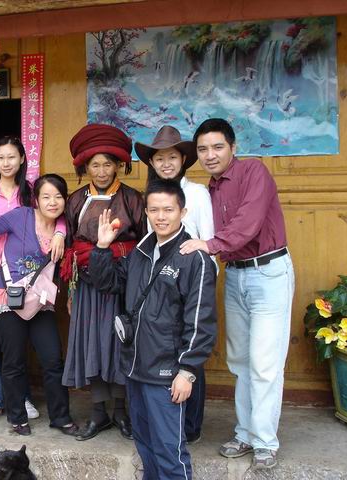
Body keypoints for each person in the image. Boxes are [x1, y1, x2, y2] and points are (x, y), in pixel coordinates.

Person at [180, 118, 295, 470]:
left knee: (264, 362)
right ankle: (245, 433)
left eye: (217, 147)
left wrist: (209, 244)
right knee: (240, 361)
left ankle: (264, 442)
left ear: (233, 147)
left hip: (269, 273)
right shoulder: (210, 189)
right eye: (202, 149)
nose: (210, 155)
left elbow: (248, 222)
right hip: (236, 274)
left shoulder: (253, 172)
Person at [89, 179, 217, 480]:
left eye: (168, 210)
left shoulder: (194, 259)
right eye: (154, 210)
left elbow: (201, 320)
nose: (161, 216)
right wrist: (102, 248)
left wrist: (187, 371)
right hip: (136, 367)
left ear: (182, 212)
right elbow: (108, 283)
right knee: (145, 445)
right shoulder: (141, 252)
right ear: (146, 212)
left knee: (170, 453)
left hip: (167, 373)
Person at [0, 136, 66, 426]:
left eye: (12, 157)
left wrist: (60, 233)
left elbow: (53, 211)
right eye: (0, 157)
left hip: (27, 275)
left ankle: (21, 399)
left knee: (20, 346)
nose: (6, 163)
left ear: (23, 159)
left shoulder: (30, 191)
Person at [61, 123, 146, 441]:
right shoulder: (75, 200)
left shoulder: (132, 199)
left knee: (119, 343)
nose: (101, 171)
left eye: (107, 164)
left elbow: (143, 244)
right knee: (93, 344)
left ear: (118, 165)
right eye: (94, 165)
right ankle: (98, 413)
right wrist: (71, 291)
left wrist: (117, 255)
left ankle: (121, 412)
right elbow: (70, 246)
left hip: (122, 284)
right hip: (87, 286)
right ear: (85, 167)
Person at [0, 173, 78, 436]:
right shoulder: (21, 216)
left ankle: (60, 417)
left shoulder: (64, 226)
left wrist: (60, 232)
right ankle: (17, 417)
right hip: (8, 300)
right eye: (46, 197)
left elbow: (65, 228)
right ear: (36, 199)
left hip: (39, 303)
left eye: (58, 197)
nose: (52, 202)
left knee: (53, 359)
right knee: (13, 362)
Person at [135, 125, 214, 444]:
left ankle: (191, 426)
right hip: (160, 284)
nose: (165, 163)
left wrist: (204, 282)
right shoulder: (150, 196)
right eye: (159, 158)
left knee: (190, 350)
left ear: (183, 160)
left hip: (192, 280)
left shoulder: (197, 193)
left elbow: (209, 240)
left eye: (172, 157)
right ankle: (165, 424)